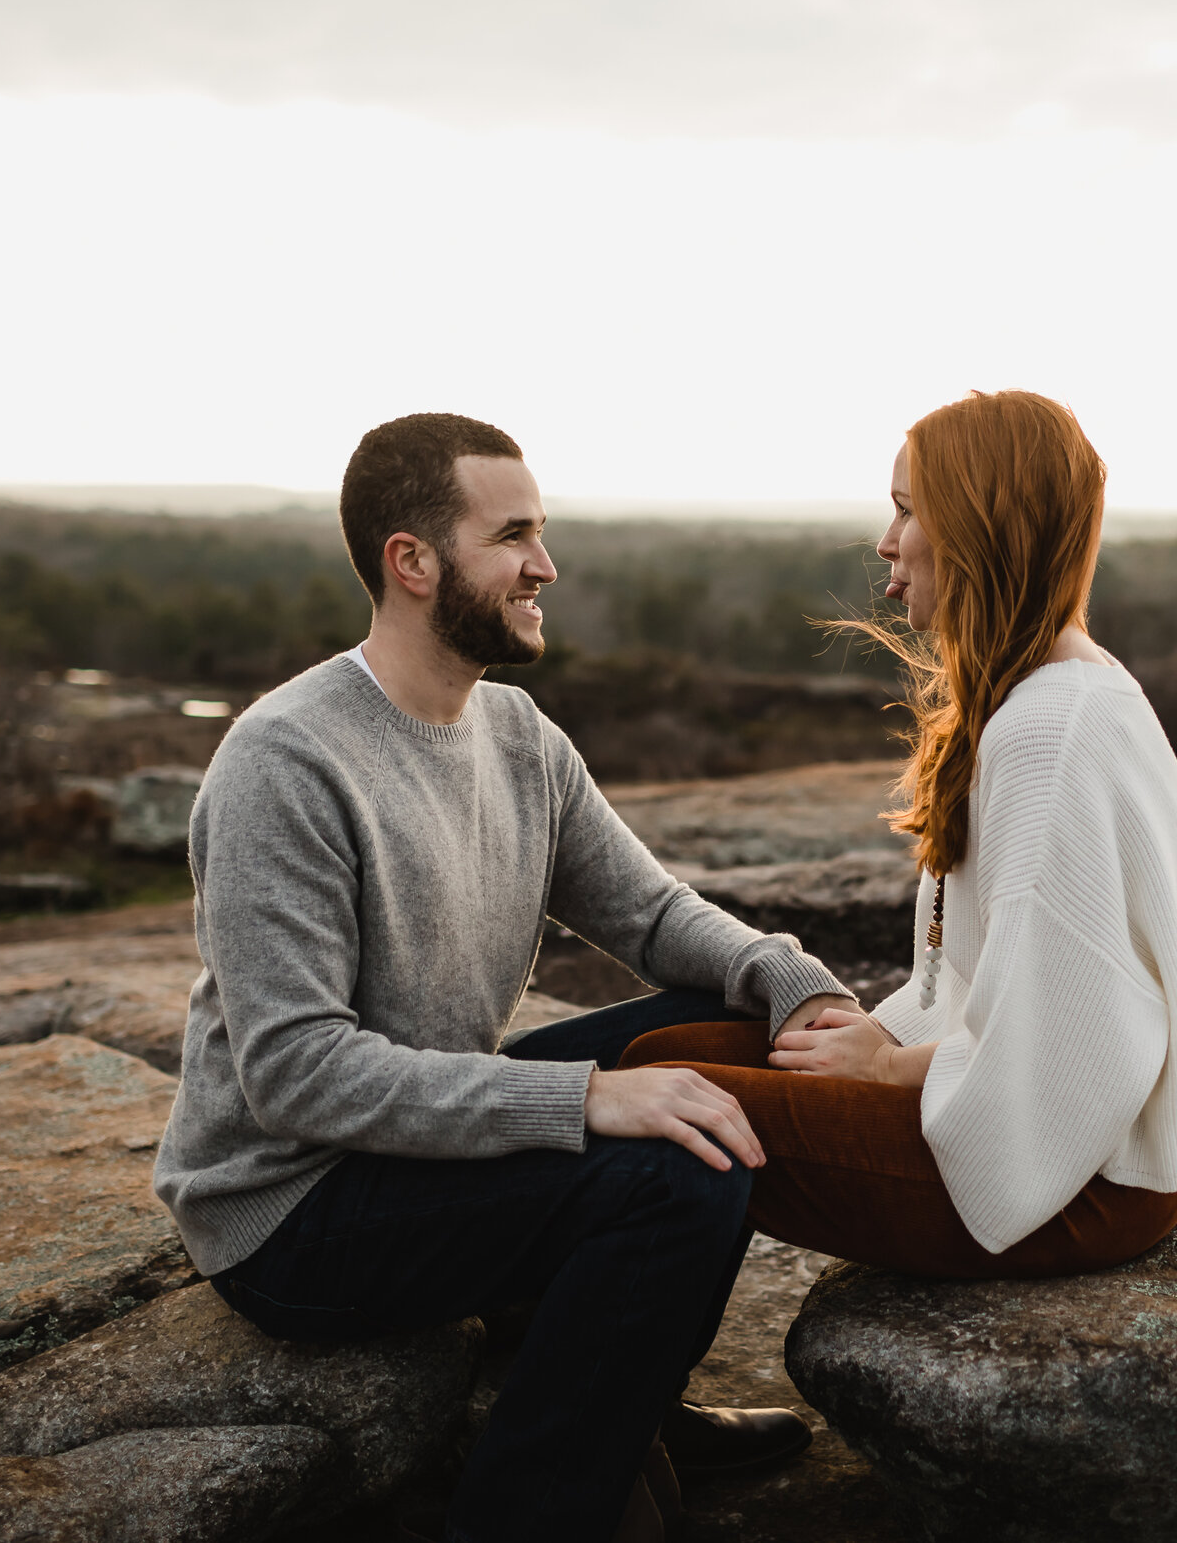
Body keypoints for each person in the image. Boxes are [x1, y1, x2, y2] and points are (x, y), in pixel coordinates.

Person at [152, 413, 860, 1543]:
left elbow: (654, 914)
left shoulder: (519, 737)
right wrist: (582, 1099)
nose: (546, 565)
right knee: (676, 1178)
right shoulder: (285, 760)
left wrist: (794, 983)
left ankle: (630, 1409)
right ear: (413, 560)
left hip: (418, 1134)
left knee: (709, 1041)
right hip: (299, 1202)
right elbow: (295, 1075)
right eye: (514, 535)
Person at [618, 390, 1177, 1277]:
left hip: (1081, 1181)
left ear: (979, 527)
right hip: (1059, 1135)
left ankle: (609, 1406)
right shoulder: (1050, 687)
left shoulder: (1049, 732)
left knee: (667, 1124)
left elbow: (1072, 1030)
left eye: (907, 509)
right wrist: (887, 1040)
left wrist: (890, 1069)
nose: (885, 541)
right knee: (657, 1063)